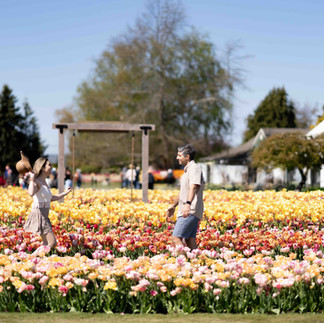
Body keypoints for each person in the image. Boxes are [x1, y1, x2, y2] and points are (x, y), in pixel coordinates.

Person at [24, 157, 72, 250]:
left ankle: (34, 260)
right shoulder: (36, 181)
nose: (51, 167)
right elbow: (30, 193)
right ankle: (32, 258)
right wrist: (32, 180)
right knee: (52, 243)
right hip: (39, 214)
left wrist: (65, 193)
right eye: (49, 165)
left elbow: (50, 198)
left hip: (44, 215)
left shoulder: (44, 182)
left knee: (46, 243)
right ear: (42, 167)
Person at [165, 144, 204, 250]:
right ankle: (196, 262)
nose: (177, 158)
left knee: (175, 238)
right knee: (189, 239)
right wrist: (173, 205)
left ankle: (182, 263)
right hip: (188, 209)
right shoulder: (187, 170)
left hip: (189, 210)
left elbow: (194, 187)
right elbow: (183, 192)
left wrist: (188, 204)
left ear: (187, 157)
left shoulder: (194, 169)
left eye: (179, 155)